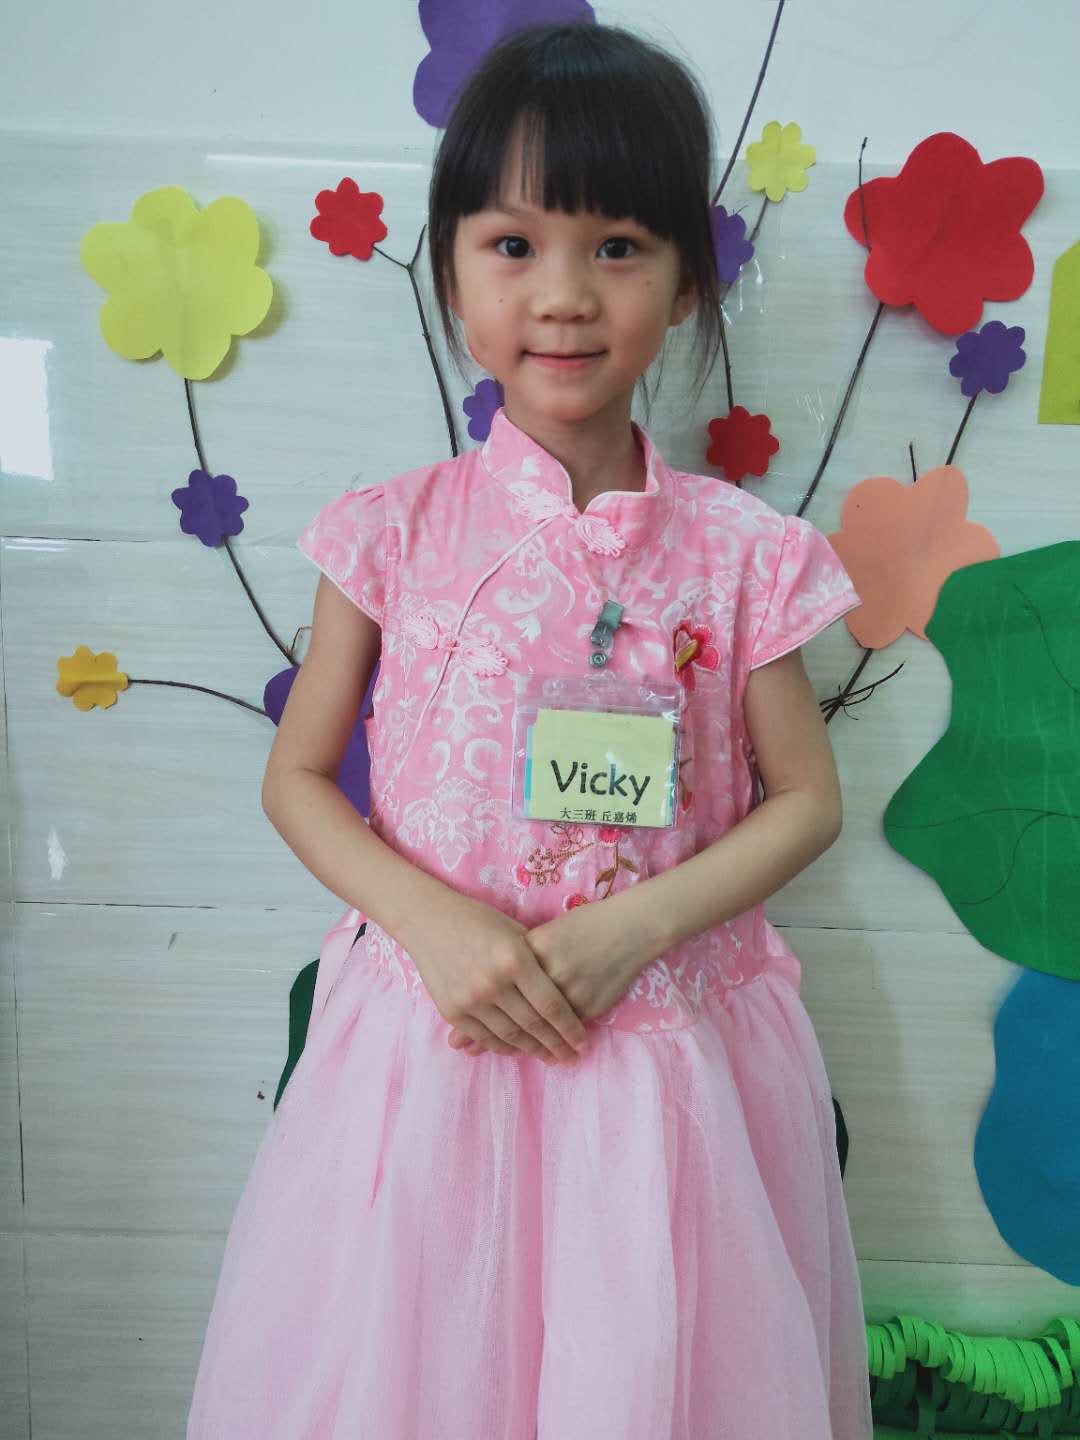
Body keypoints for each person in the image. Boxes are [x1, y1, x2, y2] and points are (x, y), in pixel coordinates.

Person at [187, 20, 874, 1439]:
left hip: (668, 1071)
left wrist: (639, 927)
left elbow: (808, 800)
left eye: (617, 245)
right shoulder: (387, 534)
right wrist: (432, 925)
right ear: (450, 272)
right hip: (435, 1058)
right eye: (513, 244)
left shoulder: (745, 555)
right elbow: (298, 776)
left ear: (686, 281)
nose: (562, 295)